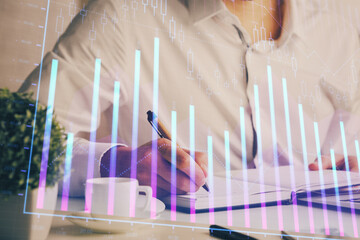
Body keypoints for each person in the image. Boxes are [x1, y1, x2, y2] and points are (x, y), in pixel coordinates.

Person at [19, 0, 360, 198]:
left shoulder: (342, 28)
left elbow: (350, 151)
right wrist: (115, 163)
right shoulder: (124, 13)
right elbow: (18, 142)